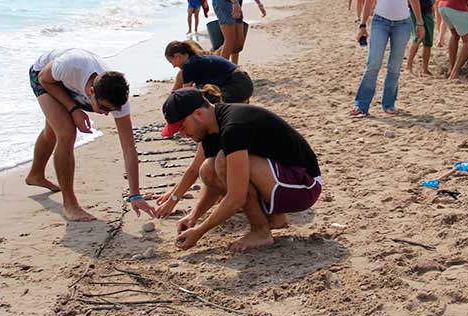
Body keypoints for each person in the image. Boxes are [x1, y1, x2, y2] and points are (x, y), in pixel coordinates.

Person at [157, 89, 323, 252]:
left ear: (199, 114)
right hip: (283, 182)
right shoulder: (212, 127)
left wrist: (199, 231)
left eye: (182, 127)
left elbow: (236, 197)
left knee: (223, 162)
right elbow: (213, 180)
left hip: (305, 186)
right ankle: (275, 218)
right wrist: (194, 216)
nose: (183, 134)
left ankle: (260, 231)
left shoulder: (233, 126)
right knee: (208, 168)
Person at [27, 48, 156, 222]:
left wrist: (135, 194)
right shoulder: (69, 66)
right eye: (103, 108)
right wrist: (73, 109)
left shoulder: (117, 100)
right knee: (66, 132)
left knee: (53, 130)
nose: (105, 114)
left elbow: (128, 147)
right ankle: (70, 204)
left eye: (111, 110)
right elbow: (43, 78)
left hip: (69, 85)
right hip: (45, 77)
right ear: (91, 93)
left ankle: (35, 175)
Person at [351, 0, 424, 116]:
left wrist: (420, 22)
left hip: (403, 23)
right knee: (373, 63)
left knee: (394, 66)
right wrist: (362, 25)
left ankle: (388, 104)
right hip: (380, 22)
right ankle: (361, 105)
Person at [164, 40, 254, 103]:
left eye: (171, 62)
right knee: (201, 89)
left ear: (177, 56)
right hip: (244, 82)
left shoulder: (189, 65)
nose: (173, 66)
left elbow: (186, 95)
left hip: (237, 86)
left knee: (204, 101)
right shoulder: (198, 58)